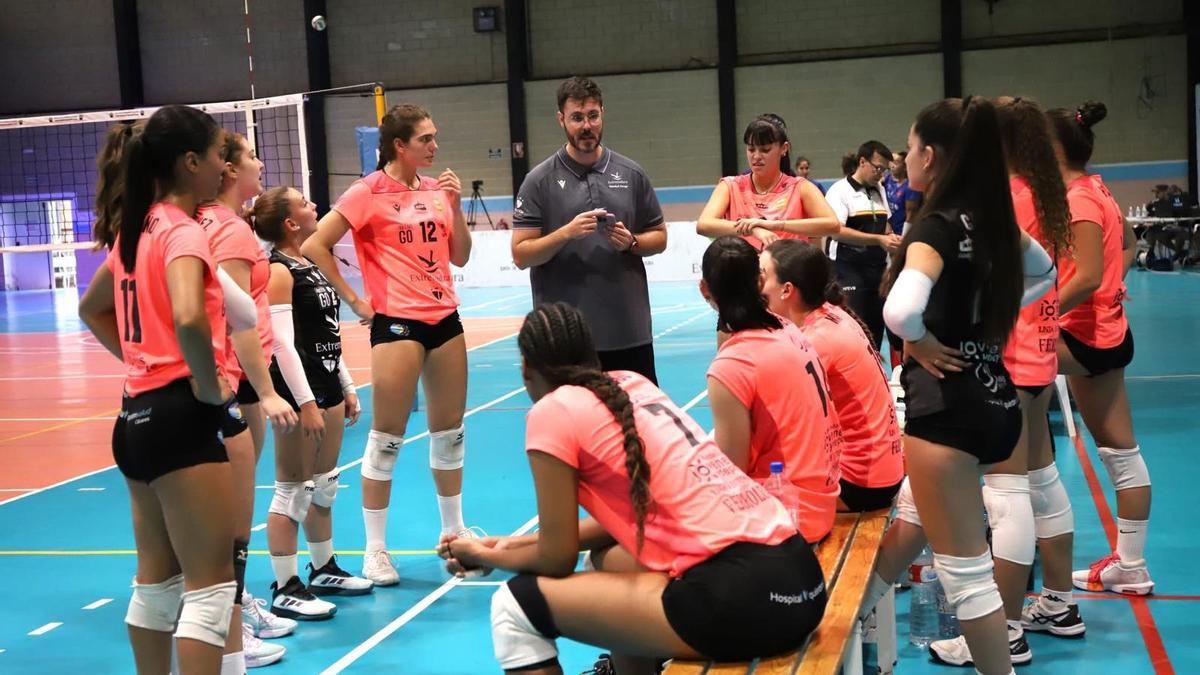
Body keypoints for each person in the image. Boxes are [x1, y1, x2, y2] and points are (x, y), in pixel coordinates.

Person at [439, 303, 827, 675]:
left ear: (526, 369)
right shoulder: (633, 384)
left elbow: (556, 559)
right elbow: (628, 520)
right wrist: (507, 545)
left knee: (513, 608)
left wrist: (486, 555)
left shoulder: (552, 411)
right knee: (604, 559)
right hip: (802, 583)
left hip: (744, 599)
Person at [867, 97, 1057, 675]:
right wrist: (986, 325)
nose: (904, 160)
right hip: (997, 400)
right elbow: (1045, 273)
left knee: (966, 573)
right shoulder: (994, 218)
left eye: (909, 148)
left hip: (946, 411)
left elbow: (900, 311)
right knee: (910, 521)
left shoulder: (937, 225)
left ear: (930, 154)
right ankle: (849, 616)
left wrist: (920, 339)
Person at [78, 104, 248, 675]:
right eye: (220, 157)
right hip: (180, 416)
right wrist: (208, 386)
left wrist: (142, 362)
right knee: (209, 589)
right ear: (190, 161)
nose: (226, 169)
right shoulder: (182, 232)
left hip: (134, 419)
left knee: (156, 583)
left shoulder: (136, 229)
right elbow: (189, 318)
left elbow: (92, 307)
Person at [928, 95, 1078, 665]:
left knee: (1007, 491)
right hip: (1040, 350)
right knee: (1040, 476)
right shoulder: (1046, 191)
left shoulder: (1007, 198)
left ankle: (1006, 629)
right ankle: (1059, 603)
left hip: (1009, 353)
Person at [302, 103, 476, 586]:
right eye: (425, 139)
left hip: (445, 319)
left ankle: (454, 534)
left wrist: (456, 208)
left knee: (450, 434)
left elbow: (459, 255)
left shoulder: (438, 192)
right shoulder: (367, 191)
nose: (435, 146)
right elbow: (315, 245)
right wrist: (356, 300)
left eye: (434, 136)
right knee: (387, 438)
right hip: (397, 324)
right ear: (399, 146)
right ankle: (375, 550)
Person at [198, 132, 300, 670]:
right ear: (230, 170)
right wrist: (262, 390)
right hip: (235, 378)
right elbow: (236, 322)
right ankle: (230, 625)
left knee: (228, 513)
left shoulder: (205, 223)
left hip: (225, 377)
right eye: (253, 156)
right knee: (234, 517)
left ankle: (236, 607)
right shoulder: (232, 230)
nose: (262, 163)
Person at [251, 186, 375, 618]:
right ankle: (285, 585)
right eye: (305, 203)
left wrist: (347, 383)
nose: (314, 206)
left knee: (323, 485)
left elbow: (327, 333)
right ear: (289, 222)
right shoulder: (279, 271)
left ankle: (323, 568)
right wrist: (304, 402)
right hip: (297, 392)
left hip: (327, 387)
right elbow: (283, 344)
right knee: (292, 490)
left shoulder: (309, 264)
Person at [1047, 101, 1153, 596]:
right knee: (1120, 452)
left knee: (1002, 375)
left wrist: (1032, 311)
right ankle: (1131, 565)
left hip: (1082, 337)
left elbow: (1086, 277)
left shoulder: (1078, 199)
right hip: (1109, 332)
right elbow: (1128, 247)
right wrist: (1114, 284)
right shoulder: (1097, 188)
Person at [511, 76, 668, 383]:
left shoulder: (632, 173)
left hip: (628, 333)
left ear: (602, 115)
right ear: (561, 120)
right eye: (577, 118)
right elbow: (520, 254)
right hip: (566, 340)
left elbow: (659, 237)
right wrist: (565, 233)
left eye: (593, 116)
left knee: (636, 426)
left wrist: (632, 242)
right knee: (572, 428)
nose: (586, 126)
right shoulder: (538, 181)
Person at [699, 236, 842, 543]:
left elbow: (732, 474)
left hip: (785, 517)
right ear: (760, 279)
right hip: (821, 499)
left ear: (704, 289)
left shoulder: (732, 365)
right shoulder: (788, 328)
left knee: (624, 548)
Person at [760, 239, 904, 512]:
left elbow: (783, 425)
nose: (757, 284)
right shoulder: (831, 315)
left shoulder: (814, 341)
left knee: (752, 492)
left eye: (763, 276)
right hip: (880, 469)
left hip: (859, 483)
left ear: (787, 290)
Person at [696, 118, 839, 251]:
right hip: (745, 274)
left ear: (784, 149)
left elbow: (833, 225)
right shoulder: (730, 186)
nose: (756, 156)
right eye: (751, 149)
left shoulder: (801, 187)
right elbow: (704, 225)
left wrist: (777, 225)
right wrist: (753, 229)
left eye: (765, 150)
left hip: (788, 273)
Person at [823, 140, 902, 349]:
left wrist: (893, 240)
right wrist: (877, 240)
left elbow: (885, 227)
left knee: (877, 329)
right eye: (878, 168)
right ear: (862, 161)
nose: (881, 174)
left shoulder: (880, 190)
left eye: (885, 170)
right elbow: (836, 232)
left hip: (877, 269)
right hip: (847, 269)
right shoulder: (838, 191)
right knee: (855, 329)